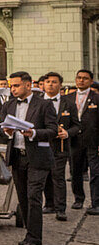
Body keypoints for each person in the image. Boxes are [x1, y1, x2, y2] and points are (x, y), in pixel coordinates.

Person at [0, 71, 57, 245]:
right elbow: (2, 132)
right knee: (22, 196)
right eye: (11, 86)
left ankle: (32, 238)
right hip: (17, 156)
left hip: (38, 157)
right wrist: (6, 132)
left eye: (16, 85)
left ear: (28, 85)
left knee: (34, 196)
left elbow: (53, 130)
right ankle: (32, 232)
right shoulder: (8, 105)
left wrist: (34, 133)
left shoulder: (44, 104)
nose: (12, 89)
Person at [39, 72, 78, 221]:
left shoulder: (69, 103)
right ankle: (49, 204)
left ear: (60, 85)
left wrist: (67, 133)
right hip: (42, 145)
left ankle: (60, 208)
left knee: (58, 177)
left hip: (60, 147)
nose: (50, 84)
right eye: (48, 81)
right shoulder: (37, 102)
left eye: (54, 82)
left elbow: (77, 125)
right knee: (45, 177)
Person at [69, 69, 99, 213]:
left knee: (95, 172)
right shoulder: (68, 98)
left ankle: (96, 202)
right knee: (75, 171)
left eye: (85, 78)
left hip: (93, 140)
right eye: (79, 78)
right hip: (74, 140)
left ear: (91, 81)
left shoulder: (97, 98)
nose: (81, 80)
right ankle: (78, 199)